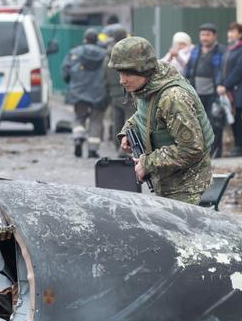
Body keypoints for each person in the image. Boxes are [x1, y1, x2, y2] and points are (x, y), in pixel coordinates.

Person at [108, 37, 213, 204]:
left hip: (187, 188)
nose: (122, 80)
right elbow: (146, 114)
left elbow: (191, 149)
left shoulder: (173, 98)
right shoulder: (147, 87)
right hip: (168, 183)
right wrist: (128, 130)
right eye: (119, 73)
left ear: (143, 69)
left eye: (127, 73)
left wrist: (147, 163)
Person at [61, 28, 108, 158]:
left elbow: (65, 71)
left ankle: (78, 137)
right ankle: (92, 150)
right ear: (96, 40)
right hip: (99, 93)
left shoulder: (74, 53)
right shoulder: (105, 55)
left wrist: (72, 83)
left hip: (79, 92)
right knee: (96, 120)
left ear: (85, 39)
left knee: (79, 117)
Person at [184, 23, 225, 158]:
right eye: (202, 35)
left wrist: (221, 84)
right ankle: (202, 151)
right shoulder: (196, 50)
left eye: (208, 35)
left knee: (215, 123)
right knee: (198, 122)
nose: (204, 38)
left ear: (214, 36)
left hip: (214, 93)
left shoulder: (220, 51)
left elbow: (222, 71)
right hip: (197, 93)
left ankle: (216, 152)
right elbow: (188, 69)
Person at [218, 22, 242, 157]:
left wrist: (226, 85)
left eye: (233, 31)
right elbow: (223, 69)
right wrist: (221, 84)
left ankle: (239, 147)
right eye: (229, 31)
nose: (230, 34)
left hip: (238, 90)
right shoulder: (230, 49)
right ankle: (236, 146)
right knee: (231, 117)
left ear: (241, 34)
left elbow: (239, 70)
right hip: (227, 89)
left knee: (237, 117)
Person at [103, 27, 133, 155]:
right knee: (130, 122)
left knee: (116, 121)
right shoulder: (129, 53)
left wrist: (108, 90)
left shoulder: (108, 55)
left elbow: (104, 75)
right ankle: (124, 150)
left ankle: (117, 147)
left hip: (114, 93)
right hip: (128, 92)